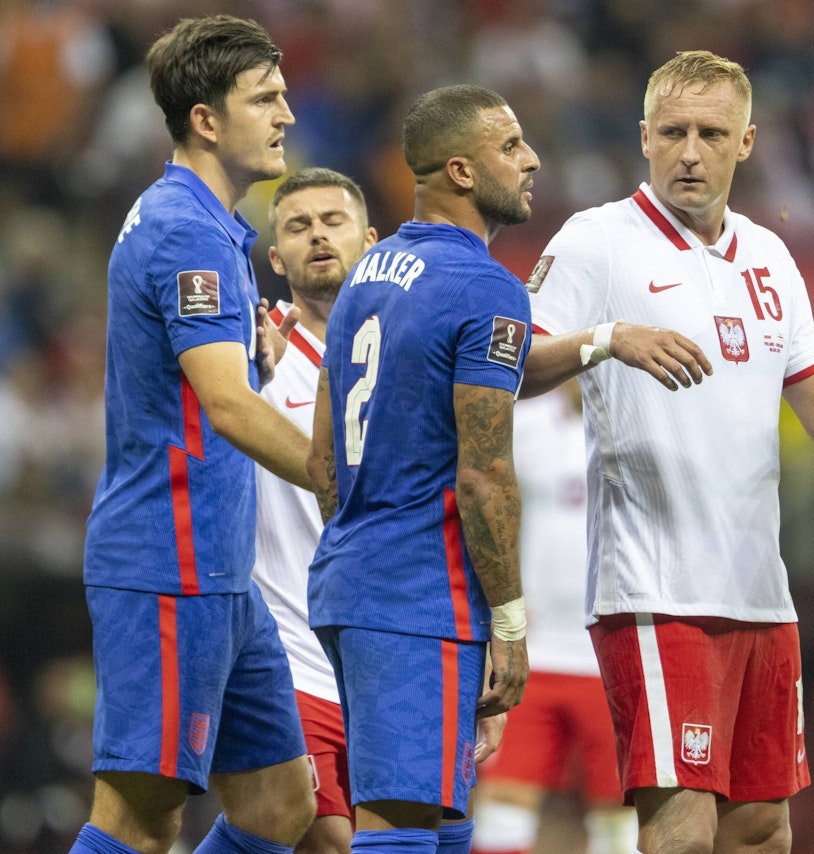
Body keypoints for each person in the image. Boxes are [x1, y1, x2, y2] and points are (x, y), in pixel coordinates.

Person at [520, 50, 814, 854]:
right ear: (644, 137)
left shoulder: (770, 257)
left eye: (711, 133)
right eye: (672, 132)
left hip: (762, 594)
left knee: (762, 830)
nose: (690, 152)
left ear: (747, 143)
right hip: (656, 590)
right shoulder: (598, 241)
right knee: (683, 828)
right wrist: (606, 339)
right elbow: (508, 364)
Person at [75, 15, 317, 854]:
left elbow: (208, 387)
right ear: (207, 120)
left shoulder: (206, 225)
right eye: (265, 98)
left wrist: (253, 362)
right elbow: (226, 408)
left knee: (281, 805)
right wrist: (345, 479)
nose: (286, 114)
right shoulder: (185, 231)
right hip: (168, 562)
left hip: (220, 569)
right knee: (139, 820)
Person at [306, 83, 538, 854]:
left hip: (352, 580)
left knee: (446, 824)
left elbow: (322, 458)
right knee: (401, 829)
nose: (532, 160)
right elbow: (484, 475)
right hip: (418, 597)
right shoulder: (487, 288)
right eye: (511, 146)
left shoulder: (369, 272)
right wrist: (509, 624)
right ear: (462, 171)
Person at [253, 167, 378, 854]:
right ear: (277, 259)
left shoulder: (409, 353)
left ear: (371, 240)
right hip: (289, 651)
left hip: (387, 652)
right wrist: (251, 373)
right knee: (327, 838)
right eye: (298, 228)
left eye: (333, 221)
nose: (318, 236)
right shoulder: (254, 352)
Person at [471, 379, 638, 854]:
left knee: (619, 818)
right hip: (532, 651)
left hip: (612, 653)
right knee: (501, 812)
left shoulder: (643, 430)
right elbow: (480, 507)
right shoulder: (522, 423)